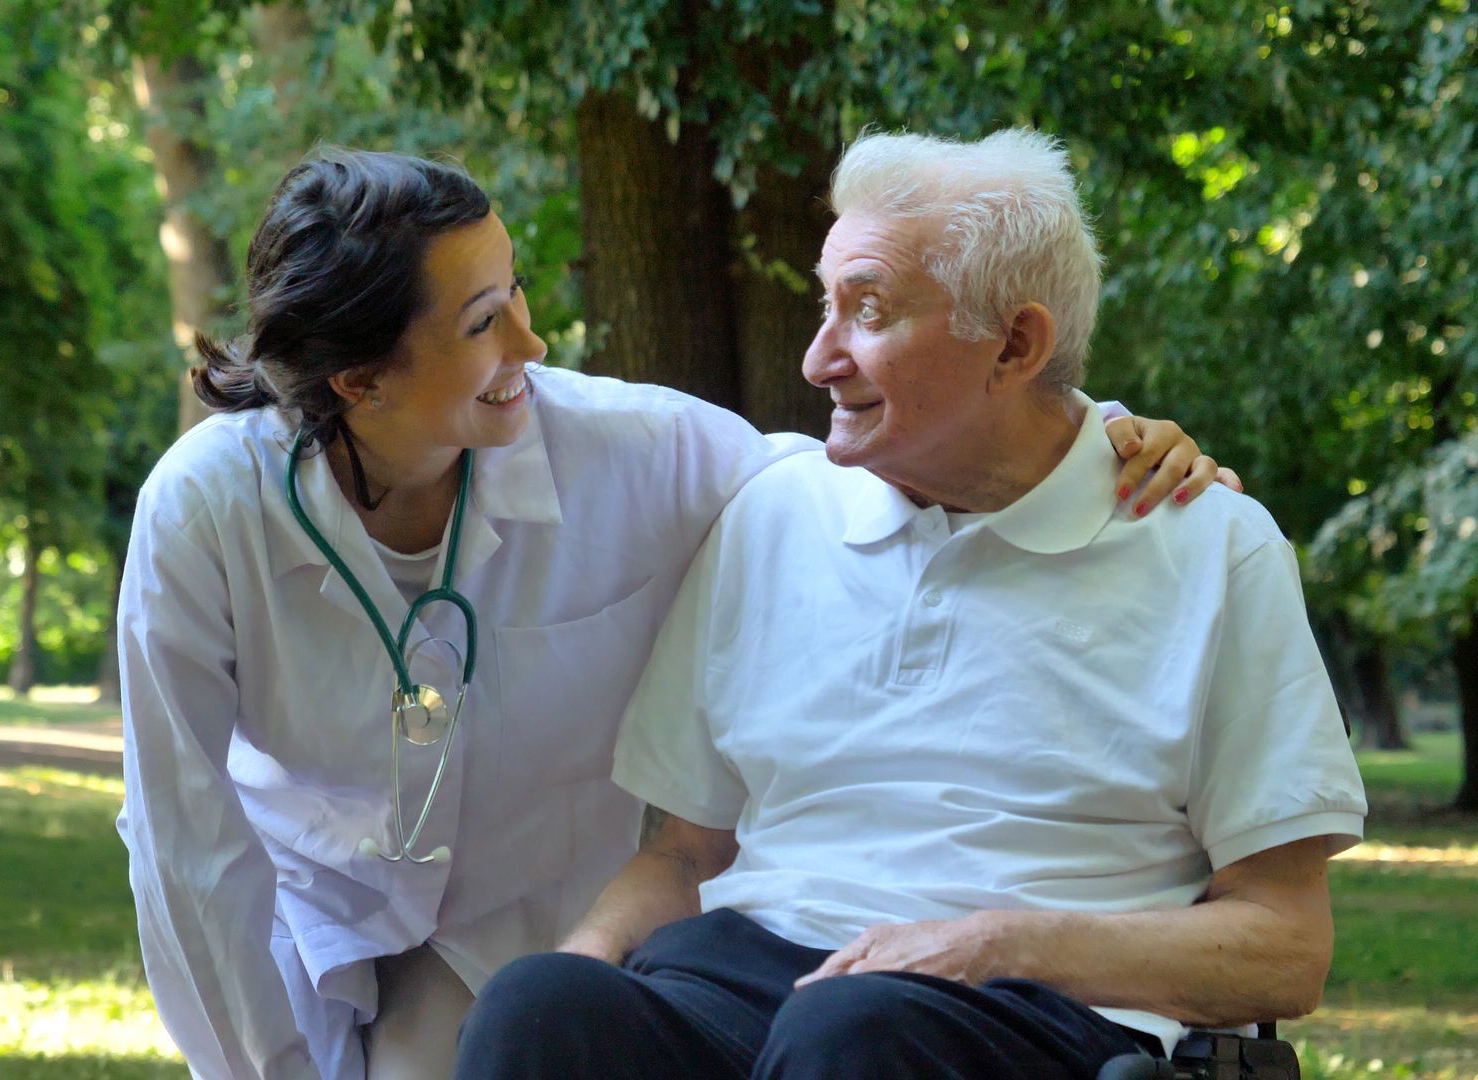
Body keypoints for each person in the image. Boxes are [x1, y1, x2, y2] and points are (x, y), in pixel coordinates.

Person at [115, 148, 1228, 1080]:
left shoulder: (629, 451)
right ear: (361, 379)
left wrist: (1097, 434)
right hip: (318, 911)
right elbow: (187, 848)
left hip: (520, 925)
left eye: (520, 294)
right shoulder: (206, 513)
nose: (534, 346)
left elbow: (865, 468)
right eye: (484, 322)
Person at [454, 129, 1368, 1080]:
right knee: (538, 1005)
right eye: (825, 306)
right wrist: (576, 969)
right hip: (743, 981)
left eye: (870, 311)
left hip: (1029, 1009)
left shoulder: (1210, 545)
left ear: (1014, 343)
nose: (818, 359)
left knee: (852, 1036)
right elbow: (687, 855)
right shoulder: (775, 511)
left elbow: (1285, 946)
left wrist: (995, 944)